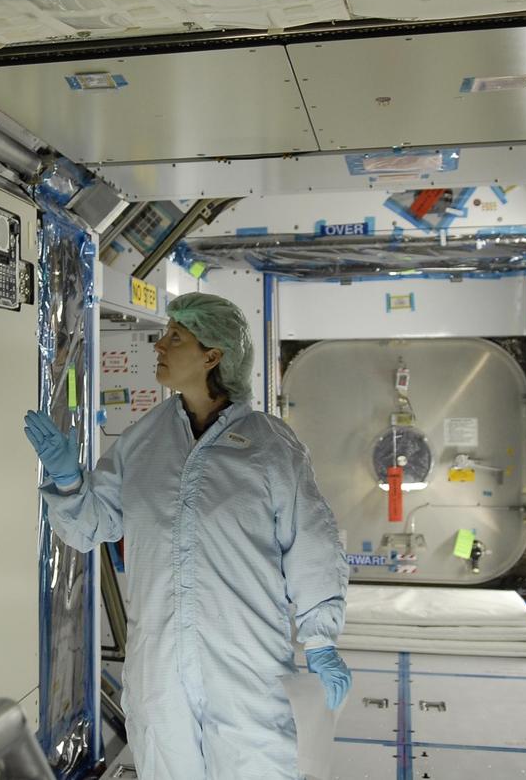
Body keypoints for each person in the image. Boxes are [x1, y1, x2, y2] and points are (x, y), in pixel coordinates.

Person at [24, 292, 350, 780]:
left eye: (175, 337)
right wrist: (70, 480)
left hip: (246, 660)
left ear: (212, 356)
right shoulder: (144, 439)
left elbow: (314, 545)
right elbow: (93, 525)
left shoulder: (268, 445)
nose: (159, 345)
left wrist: (320, 640)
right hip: (158, 664)